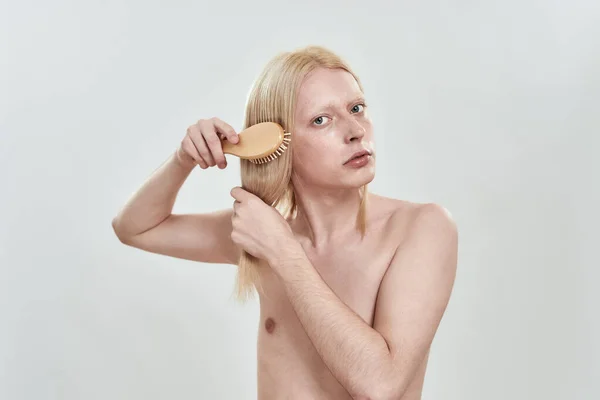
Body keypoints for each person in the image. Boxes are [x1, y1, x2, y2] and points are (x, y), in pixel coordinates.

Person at [112, 45, 458, 400]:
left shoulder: (421, 229)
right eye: (322, 120)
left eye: (357, 108)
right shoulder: (263, 235)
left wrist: (284, 253)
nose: (356, 130)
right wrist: (183, 159)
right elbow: (135, 228)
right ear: (277, 143)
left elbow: (379, 386)